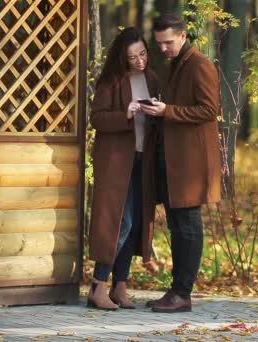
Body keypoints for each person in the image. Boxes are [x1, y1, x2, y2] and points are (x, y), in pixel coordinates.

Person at [139, 13, 221, 313]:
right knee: (178, 225)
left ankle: (182, 293)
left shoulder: (200, 65)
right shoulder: (176, 64)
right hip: (175, 161)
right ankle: (176, 291)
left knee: (187, 225)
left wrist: (167, 111)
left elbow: (209, 110)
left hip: (191, 164)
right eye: (159, 43)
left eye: (168, 42)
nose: (163, 48)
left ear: (183, 36)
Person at [88, 27, 159, 310]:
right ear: (123, 59)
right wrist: (125, 114)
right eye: (133, 57)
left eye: (143, 54)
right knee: (120, 222)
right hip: (117, 162)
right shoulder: (111, 81)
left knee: (137, 225)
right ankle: (97, 286)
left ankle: (120, 286)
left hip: (144, 159)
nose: (140, 61)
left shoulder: (153, 79)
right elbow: (97, 119)